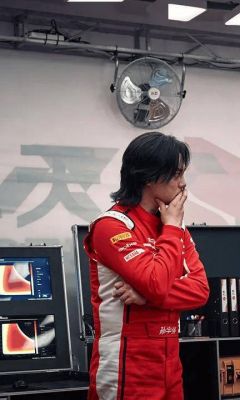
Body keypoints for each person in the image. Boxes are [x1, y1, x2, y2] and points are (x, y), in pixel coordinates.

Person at [84, 132, 209, 400]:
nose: (183, 183)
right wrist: (172, 228)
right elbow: (156, 283)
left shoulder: (173, 227)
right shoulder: (112, 226)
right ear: (150, 176)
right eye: (177, 174)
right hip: (126, 363)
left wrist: (147, 297)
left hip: (169, 361)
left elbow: (200, 290)